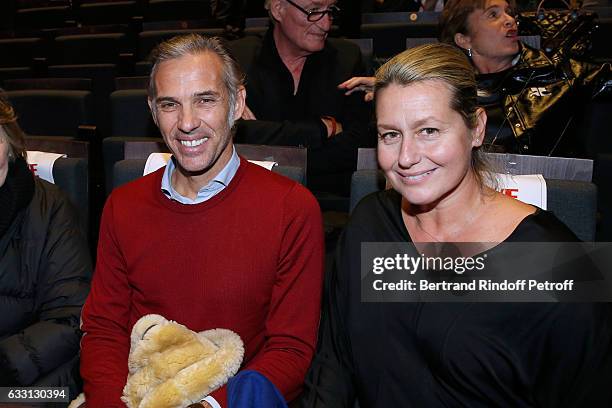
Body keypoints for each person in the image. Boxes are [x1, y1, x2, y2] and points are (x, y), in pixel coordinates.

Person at [302, 43, 612, 407]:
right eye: (390, 134)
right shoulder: (372, 224)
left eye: (429, 130)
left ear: (476, 128)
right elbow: (334, 367)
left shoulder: (554, 262)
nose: (406, 157)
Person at [79, 34, 325, 407]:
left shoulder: (292, 209)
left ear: (237, 103)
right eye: (169, 105)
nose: (187, 123)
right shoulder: (122, 205)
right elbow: (104, 331)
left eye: (205, 100)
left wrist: (205, 405)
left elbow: (290, 349)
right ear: (152, 110)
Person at [341, 0, 611, 157]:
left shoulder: (559, 72)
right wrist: (396, 90)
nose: (510, 21)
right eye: (493, 15)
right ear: (464, 39)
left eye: (509, 13)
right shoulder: (442, 85)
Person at [233, 0, 374, 197]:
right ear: (278, 9)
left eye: (330, 11)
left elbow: (355, 148)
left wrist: (264, 140)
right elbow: (231, 137)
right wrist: (321, 129)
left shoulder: (346, 58)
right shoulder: (237, 60)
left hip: (328, 203)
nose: (326, 24)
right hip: (252, 195)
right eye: (313, 11)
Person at [0, 95, 91, 395]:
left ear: (11, 145)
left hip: (28, 378)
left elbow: (70, 317)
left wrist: (5, 363)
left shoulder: (51, 209)